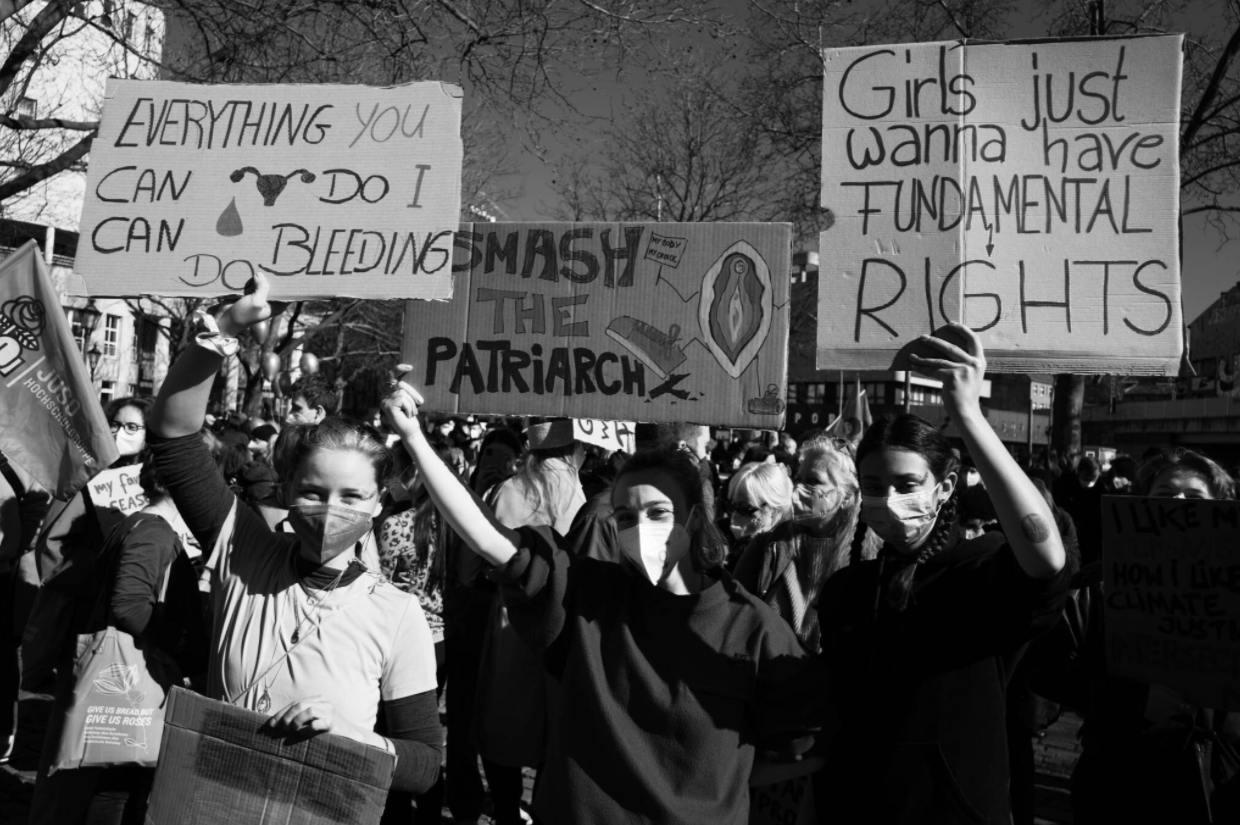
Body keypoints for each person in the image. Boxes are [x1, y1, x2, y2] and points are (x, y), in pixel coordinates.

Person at [381, 376, 825, 825]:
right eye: (626, 517)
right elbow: (488, 538)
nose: (641, 528)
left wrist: (716, 794)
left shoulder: (753, 628)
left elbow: (800, 748)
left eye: (658, 512)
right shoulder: (589, 595)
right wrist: (414, 438)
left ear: (693, 518)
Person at [144, 276, 442, 798]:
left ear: (378, 503)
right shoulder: (244, 553)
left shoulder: (397, 614)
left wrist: (353, 737)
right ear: (287, 491)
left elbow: (424, 765)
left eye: (352, 496)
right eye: (313, 492)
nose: (331, 510)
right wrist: (224, 330)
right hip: (215, 802)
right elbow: (174, 437)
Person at [816, 324, 1070, 825]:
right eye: (874, 485)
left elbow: (1045, 559)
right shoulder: (847, 590)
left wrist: (969, 416)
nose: (889, 499)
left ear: (946, 486)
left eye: (907, 483)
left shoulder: (981, 573)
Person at [29, 452, 208, 825]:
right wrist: (176, 646)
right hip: (131, 675)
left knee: (107, 781)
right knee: (117, 784)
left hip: (120, 672)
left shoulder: (138, 525)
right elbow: (128, 606)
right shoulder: (154, 533)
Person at [1070, 449, 1238, 825]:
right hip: (1123, 772)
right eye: (1165, 494)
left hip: (1217, 779)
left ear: (1220, 508)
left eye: (1194, 496)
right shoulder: (1100, 583)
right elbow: (1065, 670)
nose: (1178, 503)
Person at [732, 440, 870, 653]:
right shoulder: (768, 545)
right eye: (799, 479)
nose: (799, 488)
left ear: (847, 497)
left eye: (813, 481)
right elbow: (734, 615)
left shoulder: (867, 558)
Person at [722, 461, 794, 567]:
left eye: (745, 508)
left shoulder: (781, 556)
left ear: (774, 511)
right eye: (731, 506)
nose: (734, 515)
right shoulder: (721, 534)